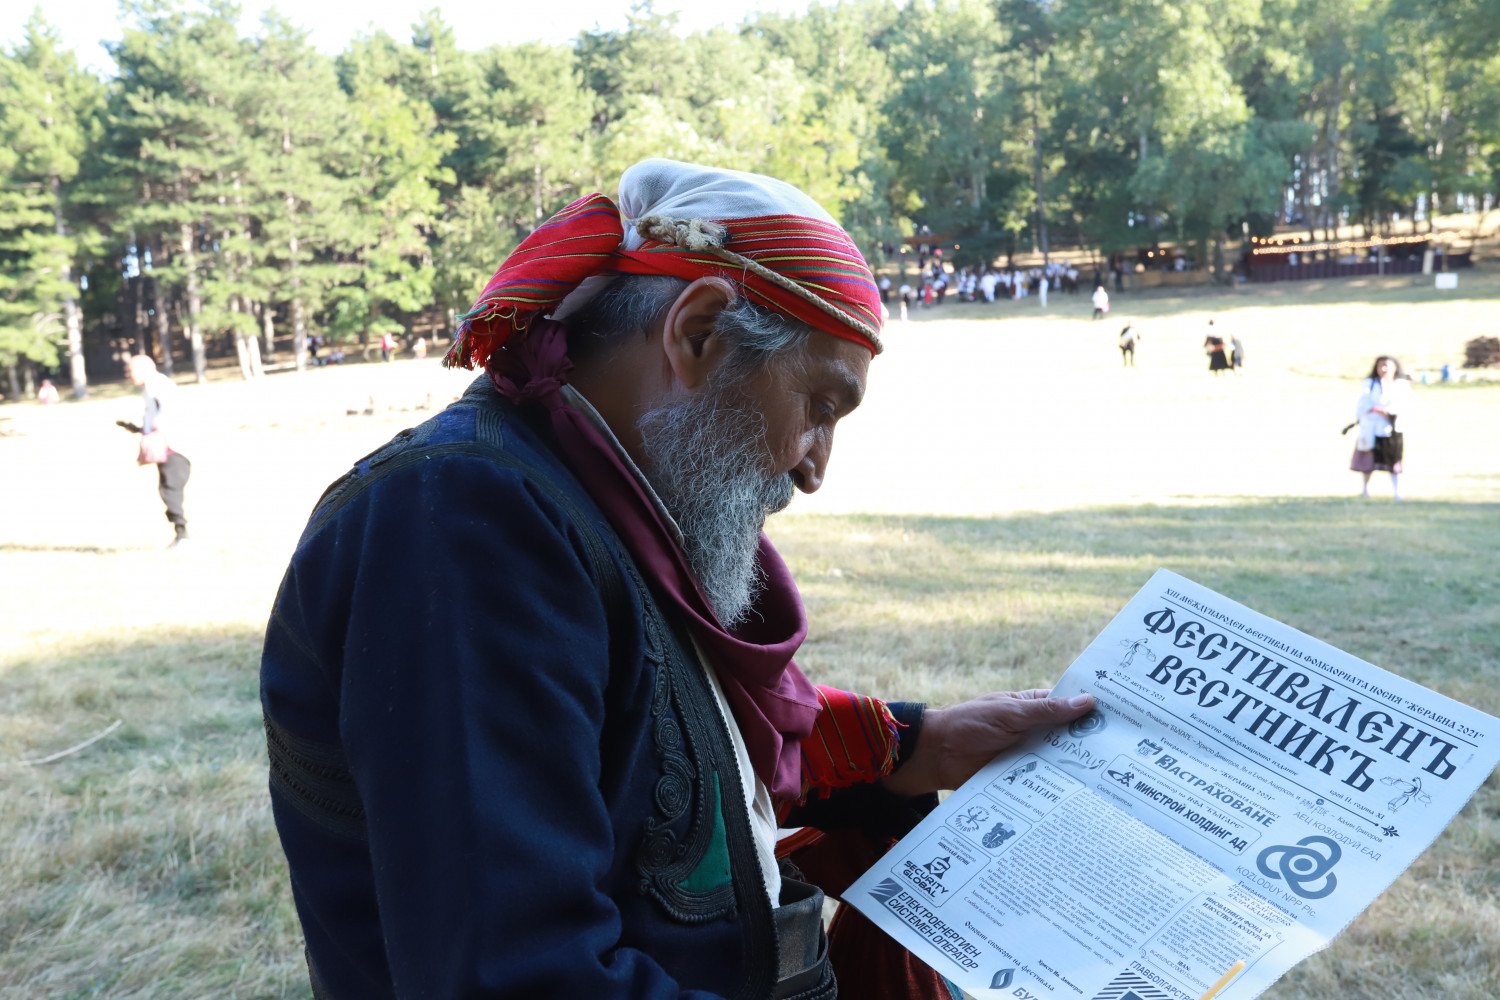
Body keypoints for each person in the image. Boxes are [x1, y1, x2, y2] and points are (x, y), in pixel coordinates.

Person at [259, 159, 1095, 1000]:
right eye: (820, 407)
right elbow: (521, 978)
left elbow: (675, 743)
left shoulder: (584, 493)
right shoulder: (462, 519)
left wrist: (924, 744)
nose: (814, 469)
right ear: (698, 333)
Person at [126, 355, 191, 547]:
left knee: (171, 490)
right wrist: (139, 429)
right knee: (165, 490)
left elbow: (168, 411)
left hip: (173, 447)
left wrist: (155, 428)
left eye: (130, 371)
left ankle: (183, 535)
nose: (128, 375)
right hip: (164, 446)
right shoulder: (149, 387)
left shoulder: (160, 385)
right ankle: (180, 534)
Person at [1350, 355, 1410, 499]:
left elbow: (1404, 405)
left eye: (1387, 366)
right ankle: (1365, 490)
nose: (1383, 369)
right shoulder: (1369, 384)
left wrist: (1388, 413)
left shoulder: (1401, 385)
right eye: (1380, 365)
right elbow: (1363, 404)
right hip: (1371, 427)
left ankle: (1397, 492)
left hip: (1391, 430)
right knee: (1368, 462)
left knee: (1393, 461)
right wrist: (1375, 410)